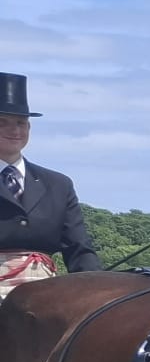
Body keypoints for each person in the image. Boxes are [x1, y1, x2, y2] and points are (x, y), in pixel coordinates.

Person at [0, 73, 102, 293]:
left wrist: (98, 291)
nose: (15, 130)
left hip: (45, 294)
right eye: (3, 122)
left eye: (21, 123)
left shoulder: (58, 185)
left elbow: (79, 249)